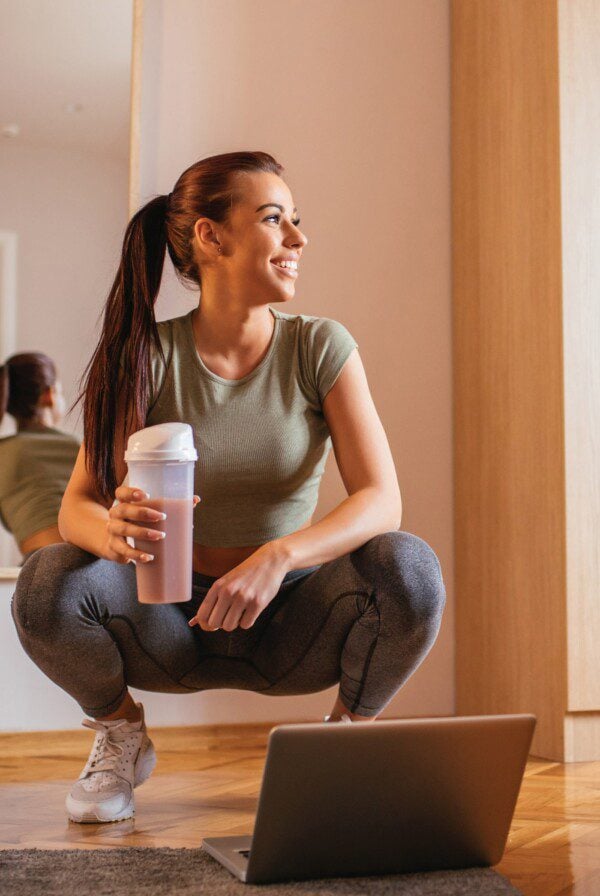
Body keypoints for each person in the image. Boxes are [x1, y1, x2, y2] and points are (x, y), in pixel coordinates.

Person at [10, 150, 446, 825]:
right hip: (165, 623)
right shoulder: (142, 356)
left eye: (296, 221)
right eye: (276, 220)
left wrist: (278, 557)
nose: (298, 239)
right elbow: (77, 507)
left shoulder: (320, 348)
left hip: (293, 626)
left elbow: (381, 499)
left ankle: (343, 745)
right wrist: (112, 531)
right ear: (211, 238)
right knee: (46, 582)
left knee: (410, 568)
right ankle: (121, 734)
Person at [0, 352, 81, 563]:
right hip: (85, 561)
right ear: (49, 395)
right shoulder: (81, 448)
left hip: (33, 566)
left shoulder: (3, 453)